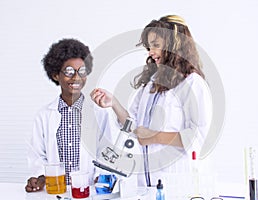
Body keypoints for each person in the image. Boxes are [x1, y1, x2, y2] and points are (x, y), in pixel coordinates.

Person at [90, 15, 212, 187]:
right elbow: (133, 127)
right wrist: (114, 103)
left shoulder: (192, 83)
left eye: (156, 45)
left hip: (178, 183)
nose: (150, 52)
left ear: (174, 45)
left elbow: (199, 138)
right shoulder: (152, 83)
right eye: (149, 46)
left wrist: (153, 137)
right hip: (148, 183)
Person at [25, 38, 110, 192]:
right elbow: (36, 154)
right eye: (69, 71)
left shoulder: (99, 113)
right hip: (56, 190)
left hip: (88, 190)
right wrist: (40, 176)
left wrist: (101, 177)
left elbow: (106, 151)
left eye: (81, 71)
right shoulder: (44, 115)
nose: (76, 77)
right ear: (56, 75)